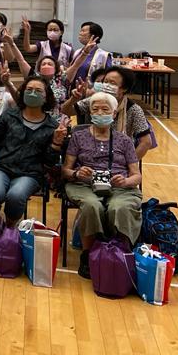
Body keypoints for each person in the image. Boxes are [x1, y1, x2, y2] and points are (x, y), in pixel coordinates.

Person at [62, 91, 143, 278]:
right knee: (92, 206)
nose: (99, 113)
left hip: (119, 187)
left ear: (114, 113)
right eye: (95, 109)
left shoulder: (124, 140)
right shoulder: (78, 137)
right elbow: (65, 170)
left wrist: (125, 181)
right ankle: (88, 255)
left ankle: (120, 254)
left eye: (105, 109)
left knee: (119, 207)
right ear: (90, 112)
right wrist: (76, 173)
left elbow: (136, 175)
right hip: (84, 185)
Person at [0, 76, 67, 236]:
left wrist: (56, 144)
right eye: (29, 90)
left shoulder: (52, 126)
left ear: (46, 97)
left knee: (16, 195)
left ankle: (8, 234)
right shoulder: (10, 115)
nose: (32, 93)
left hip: (30, 173)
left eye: (38, 91)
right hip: (0, 167)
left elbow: (49, 162)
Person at [62, 66, 154, 158]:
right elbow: (66, 111)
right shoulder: (94, 101)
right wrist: (73, 99)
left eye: (112, 83)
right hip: (91, 151)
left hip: (120, 155)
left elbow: (146, 142)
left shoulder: (134, 109)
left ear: (124, 88)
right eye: (105, 82)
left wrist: (129, 163)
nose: (106, 86)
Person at [66, 21, 112, 85]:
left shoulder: (104, 55)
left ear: (93, 35)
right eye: (80, 31)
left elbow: (108, 77)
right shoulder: (77, 52)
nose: (80, 33)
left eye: (83, 31)